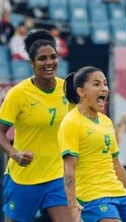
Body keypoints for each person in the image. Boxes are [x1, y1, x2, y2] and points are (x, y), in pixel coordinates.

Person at [58, 66, 126, 222]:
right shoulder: (71, 122)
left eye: (105, 83)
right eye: (96, 84)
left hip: (118, 192)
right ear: (81, 92)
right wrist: (72, 204)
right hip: (92, 196)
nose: (104, 88)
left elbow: (117, 165)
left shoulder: (106, 122)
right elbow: (69, 168)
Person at [0, 29, 72, 221]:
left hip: (57, 176)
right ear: (31, 63)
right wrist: (14, 154)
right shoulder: (18, 94)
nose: (49, 63)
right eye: (42, 59)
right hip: (24, 177)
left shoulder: (67, 90)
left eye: (53, 57)